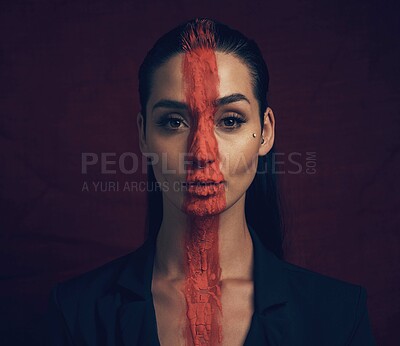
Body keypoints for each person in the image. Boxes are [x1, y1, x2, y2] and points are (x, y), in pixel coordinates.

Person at [48, 18, 376, 345]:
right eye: (173, 121)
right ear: (143, 135)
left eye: (230, 120)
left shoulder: (338, 315)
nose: (202, 152)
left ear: (265, 132)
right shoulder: (77, 313)